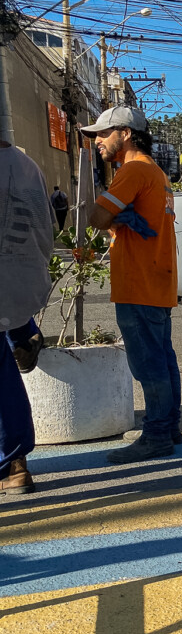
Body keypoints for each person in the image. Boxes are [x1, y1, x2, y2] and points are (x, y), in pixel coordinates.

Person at [83, 106, 182, 463]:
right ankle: (169, 427)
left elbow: (96, 216)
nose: (97, 140)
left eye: (103, 133)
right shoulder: (155, 172)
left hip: (139, 281)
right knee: (163, 357)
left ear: (125, 133)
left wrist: (109, 216)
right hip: (156, 279)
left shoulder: (133, 171)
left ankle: (156, 435)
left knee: (148, 363)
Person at [0, 140, 54, 494]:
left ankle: (11, 462)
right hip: (16, 271)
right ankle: (23, 331)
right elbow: (46, 224)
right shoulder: (24, 163)